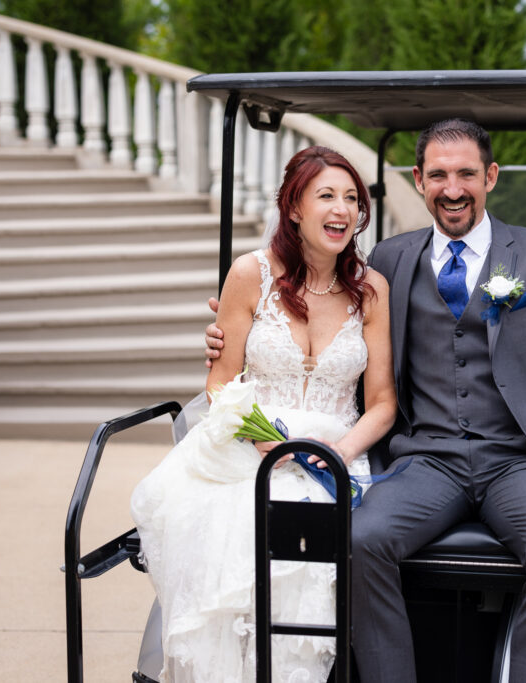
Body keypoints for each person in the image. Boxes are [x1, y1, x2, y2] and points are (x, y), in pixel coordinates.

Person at [206, 120, 526, 683]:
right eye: (438, 175)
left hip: (522, 460)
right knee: (361, 538)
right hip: (426, 460)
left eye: (466, 173)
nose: (452, 187)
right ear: (418, 180)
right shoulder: (389, 260)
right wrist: (230, 326)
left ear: (490, 176)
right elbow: (314, 300)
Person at [133, 145, 396, 683]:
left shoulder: (371, 289)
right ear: (294, 207)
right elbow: (221, 379)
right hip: (247, 444)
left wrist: (337, 454)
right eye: (326, 195)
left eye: (352, 198)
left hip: (333, 456)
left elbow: (384, 402)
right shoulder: (249, 274)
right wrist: (260, 439)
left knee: (303, 551)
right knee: (232, 543)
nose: (341, 209)